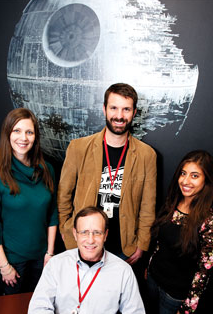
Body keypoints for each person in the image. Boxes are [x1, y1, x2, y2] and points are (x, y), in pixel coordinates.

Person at [28, 206, 145, 314]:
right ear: (75, 234)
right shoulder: (56, 264)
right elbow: (37, 311)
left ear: (105, 235)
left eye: (97, 233)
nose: (90, 240)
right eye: (84, 232)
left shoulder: (123, 271)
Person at [134, 150, 213, 314]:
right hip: (154, 279)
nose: (186, 180)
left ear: (206, 181)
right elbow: (161, 241)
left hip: (176, 292)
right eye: (183, 173)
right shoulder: (173, 201)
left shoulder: (210, 221)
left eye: (195, 176)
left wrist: (189, 307)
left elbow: (205, 269)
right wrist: (151, 265)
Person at [58, 83, 156, 267]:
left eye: (126, 109)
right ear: (104, 109)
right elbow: (64, 193)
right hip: (84, 243)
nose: (119, 116)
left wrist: (142, 243)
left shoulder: (146, 155)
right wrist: (66, 228)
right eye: (114, 108)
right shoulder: (78, 148)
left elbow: (148, 206)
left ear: (134, 112)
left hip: (123, 246)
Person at [0, 108, 58, 295]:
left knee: (41, 312)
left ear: (35, 137)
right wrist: (4, 266)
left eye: (29, 132)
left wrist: (50, 253)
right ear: (7, 133)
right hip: (12, 263)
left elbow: (53, 214)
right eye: (17, 131)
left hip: (43, 259)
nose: (23, 138)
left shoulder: (47, 170)